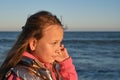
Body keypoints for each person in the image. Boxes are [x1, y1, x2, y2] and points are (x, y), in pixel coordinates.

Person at [0, 11, 78, 80]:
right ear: (33, 44)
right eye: (54, 43)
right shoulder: (21, 75)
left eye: (59, 43)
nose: (58, 49)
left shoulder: (46, 68)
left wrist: (66, 64)